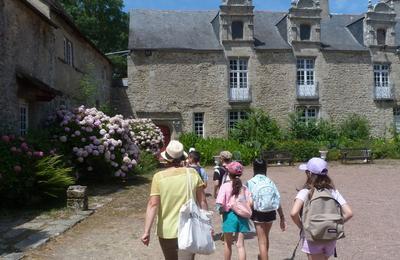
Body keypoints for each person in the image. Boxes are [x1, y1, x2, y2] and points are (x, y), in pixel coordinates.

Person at [141, 140, 208, 260]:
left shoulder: (159, 177)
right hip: (189, 227)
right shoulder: (192, 174)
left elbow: (153, 204)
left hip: (166, 230)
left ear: (166, 158)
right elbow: (202, 201)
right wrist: (207, 224)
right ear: (183, 157)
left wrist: (147, 231)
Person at [290, 157, 353, 260]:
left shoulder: (305, 192)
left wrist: (302, 226)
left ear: (309, 174)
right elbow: (349, 213)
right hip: (330, 235)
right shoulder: (333, 192)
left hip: (312, 236)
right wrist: (335, 223)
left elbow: (293, 213)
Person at [246, 159, 286, 260]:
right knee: (266, 237)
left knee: (261, 241)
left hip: (258, 213)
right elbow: (277, 199)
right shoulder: (270, 181)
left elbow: (248, 200)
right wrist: (282, 216)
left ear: (254, 168)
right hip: (271, 212)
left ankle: (263, 256)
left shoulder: (250, 182)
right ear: (265, 168)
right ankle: (263, 256)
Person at [216, 161, 252, 260]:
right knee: (240, 245)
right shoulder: (244, 188)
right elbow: (250, 202)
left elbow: (219, 203)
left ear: (228, 173)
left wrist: (221, 210)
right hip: (243, 217)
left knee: (227, 244)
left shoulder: (225, 186)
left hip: (229, 216)